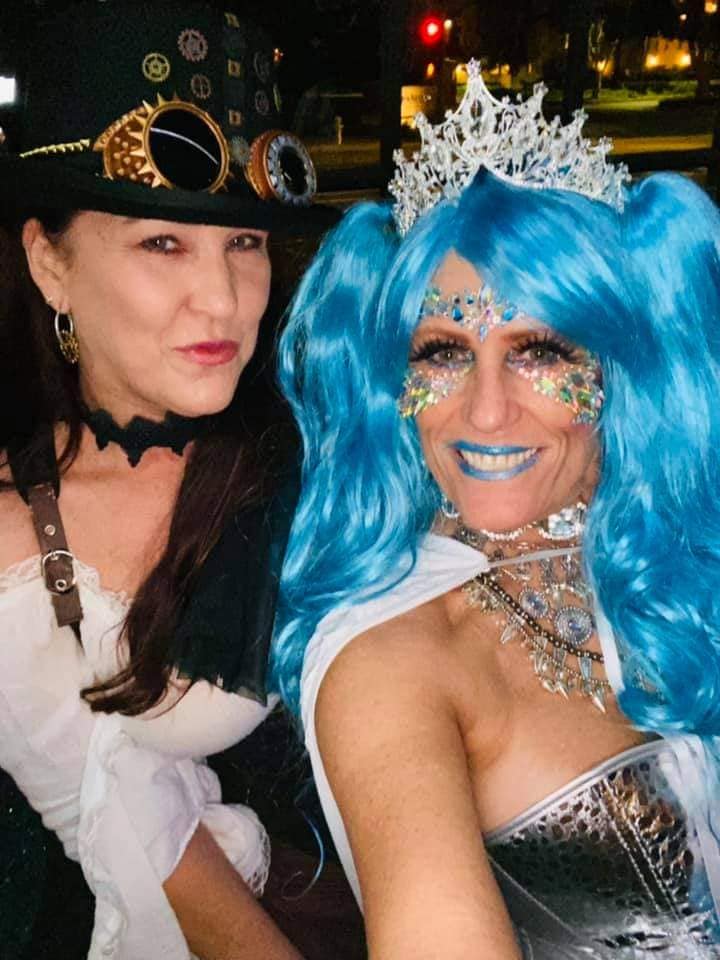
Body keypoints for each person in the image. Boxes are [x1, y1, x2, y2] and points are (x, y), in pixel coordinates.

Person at [272, 63, 720, 958]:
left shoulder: (665, 550)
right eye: (442, 351)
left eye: (539, 350)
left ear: (624, 366)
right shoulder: (390, 662)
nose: (484, 413)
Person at [0, 2, 334, 958]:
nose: (223, 300)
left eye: (245, 243)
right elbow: (152, 849)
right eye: (163, 243)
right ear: (49, 264)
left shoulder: (328, 453)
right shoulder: (16, 531)